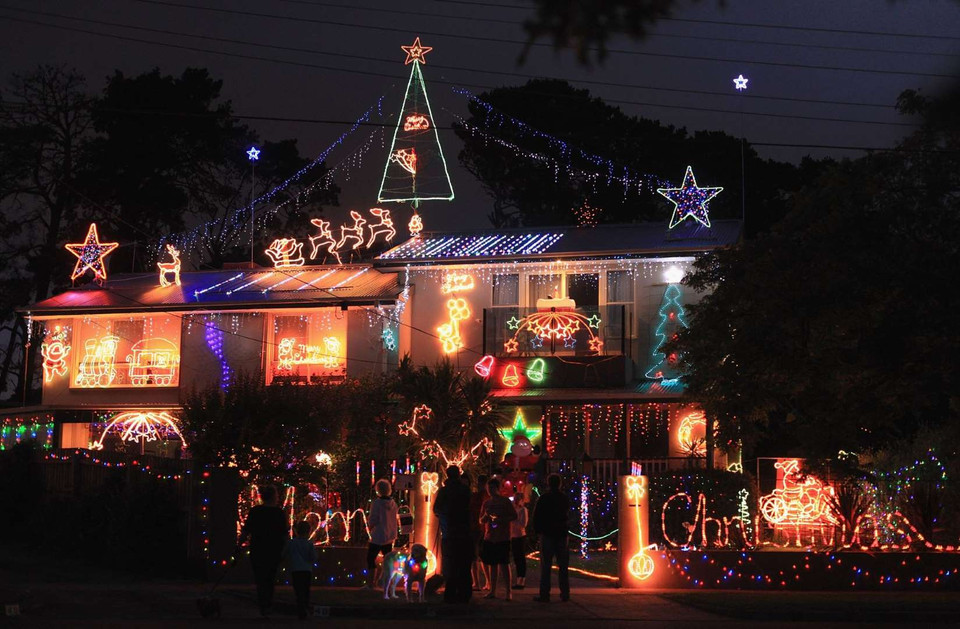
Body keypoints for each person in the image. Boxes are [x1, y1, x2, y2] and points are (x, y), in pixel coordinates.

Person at [240, 485, 288, 616]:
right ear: (273, 497)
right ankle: (267, 604)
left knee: (260, 577)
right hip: (274, 550)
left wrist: (239, 544)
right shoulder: (279, 513)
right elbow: (284, 533)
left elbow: (246, 530)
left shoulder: (255, 511)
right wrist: (285, 549)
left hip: (258, 549)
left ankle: (263, 603)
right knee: (270, 577)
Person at [433, 465, 474, 604]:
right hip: (464, 532)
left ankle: (450, 593)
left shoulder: (444, 491)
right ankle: (465, 593)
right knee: (464, 564)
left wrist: (444, 517)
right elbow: (470, 508)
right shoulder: (465, 490)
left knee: (450, 564)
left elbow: (436, 509)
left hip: (449, 533)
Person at [533, 473, 570, 602]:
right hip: (561, 533)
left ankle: (545, 594)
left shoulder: (544, 498)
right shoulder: (563, 498)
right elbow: (567, 514)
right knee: (563, 565)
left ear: (548, 483)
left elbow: (536, 515)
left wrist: (538, 531)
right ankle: (565, 593)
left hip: (548, 533)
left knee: (546, 565)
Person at [479, 477, 517, 600]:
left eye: (492, 488)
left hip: (503, 536)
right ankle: (492, 591)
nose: (490, 490)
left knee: (504, 564)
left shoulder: (505, 502)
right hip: (490, 537)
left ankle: (508, 592)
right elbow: (481, 520)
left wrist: (501, 519)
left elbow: (513, 515)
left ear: (498, 488)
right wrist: (486, 515)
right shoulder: (487, 503)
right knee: (492, 564)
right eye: (488, 488)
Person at [364, 478, 399, 589]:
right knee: (388, 561)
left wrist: (369, 526)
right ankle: (386, 583)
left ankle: (370, 584)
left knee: (370, 559)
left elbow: (373, 519)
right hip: (389, 536)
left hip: (378, 535)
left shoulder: (377, 503)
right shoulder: (393, 504)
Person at [283, 520, 317, 620]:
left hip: (296, 569)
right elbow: (314, 557)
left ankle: (300, 608)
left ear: (297, 531)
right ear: (309, 531)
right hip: (307, 570)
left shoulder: (292, 543)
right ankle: (304, 607)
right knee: (306, 589)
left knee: (298, 590)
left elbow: (285, 553)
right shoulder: (309, 544)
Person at [468, 474, 489, 591]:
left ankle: (477, 583)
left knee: (475, 557)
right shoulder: (487, 496)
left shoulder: (477, 497)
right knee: (482, 557)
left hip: (477, 528)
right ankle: (486, 582)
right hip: (483, 528)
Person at [510, 488, 529, 590]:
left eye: (518, 499)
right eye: (515, 498)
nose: (516, 500)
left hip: (520, 536)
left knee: (521, 558)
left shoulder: (523, 510)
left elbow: (523, 524)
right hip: (513, 536)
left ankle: (522, 580)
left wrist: (514, 519)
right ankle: (518, 579)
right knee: (516, 558)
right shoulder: (513, 509)